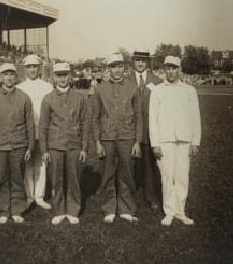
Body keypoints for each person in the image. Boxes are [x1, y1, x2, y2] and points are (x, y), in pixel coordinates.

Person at [148, 55, 201, 226]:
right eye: (168, 68)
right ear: (164, 70)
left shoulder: (189, 90)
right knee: (167, 176)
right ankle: (169, 212)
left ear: (180, 69)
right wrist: (155, 143)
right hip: (165, 140)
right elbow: (153, 119)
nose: (171, 72)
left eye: (174, 68)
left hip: (184, 140)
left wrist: (195, 141)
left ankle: (180, 211)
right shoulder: (158, 90)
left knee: (182, 176)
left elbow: (195, 117)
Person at [91, 52, 143, 223]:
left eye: (119, 66)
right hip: (107, 138)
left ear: (124, 67)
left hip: (127, 136)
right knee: (107, 174)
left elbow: (138, 116)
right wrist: (97, 142)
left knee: (127, 173)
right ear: (109, 69)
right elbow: (95, 117)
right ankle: (109, 209)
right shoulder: (100, 88)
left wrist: (137, 141)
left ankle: (126, 208)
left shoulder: (133, 87)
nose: (117, 70)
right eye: (113, 66)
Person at [40, 62, 89, 224]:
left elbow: (84, 123)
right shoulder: (48, 99)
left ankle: (73, 210)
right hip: (55, 146)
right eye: (59, 75)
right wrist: (45, 150)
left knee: (74, 179)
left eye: (65, 75)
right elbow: (43, 126)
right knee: (57, 179)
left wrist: (84, 148)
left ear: (70, 76)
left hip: (74, 145)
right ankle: (59, 210)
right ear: (54, 78)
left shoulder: (80, 98)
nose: (62, 78)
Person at [0, 62, 34, 224]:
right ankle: (4, 210)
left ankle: (18, 209)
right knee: (1, 178)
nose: (9, 77)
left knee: (17, 177)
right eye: (5, 74)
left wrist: (30, 146)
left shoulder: (24, 97)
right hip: (0, 145)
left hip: (18, 144)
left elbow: (30, 124)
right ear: (1, 77)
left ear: (16, 77)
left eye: (12, 74)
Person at [17, 53, 55, 212]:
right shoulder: (19, 88)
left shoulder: (48, 87)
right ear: (25, 69)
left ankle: (39, 196)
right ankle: (29, 196)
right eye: (29, 67)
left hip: (43, 131)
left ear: (39, 69)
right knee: (27, 164)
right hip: (25, 132)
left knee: (41, 163)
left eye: (35, 67)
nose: (32, 70)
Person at [131, 50, 165, 212]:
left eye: (143, 60)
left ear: (148, 62)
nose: (140, 63)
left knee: (150, 165)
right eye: (137, 60)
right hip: (131, 129)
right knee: (131, 164)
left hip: (151, 129)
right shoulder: (126, 79)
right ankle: (131, 195)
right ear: (133, 62)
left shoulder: (157, 81)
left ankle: (151, 196)